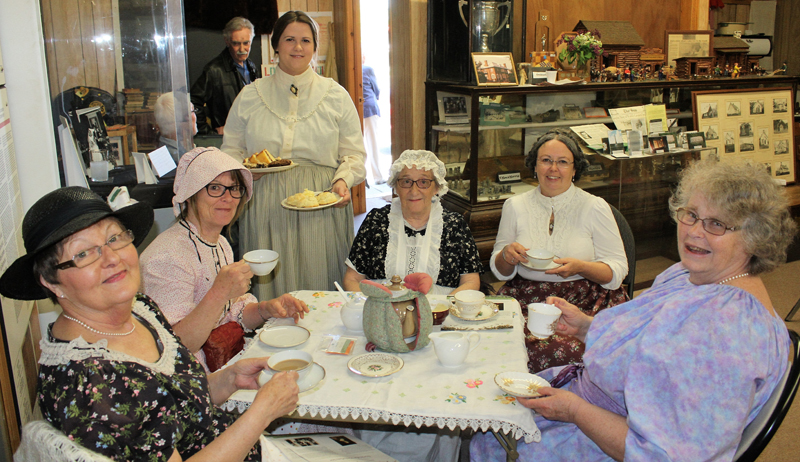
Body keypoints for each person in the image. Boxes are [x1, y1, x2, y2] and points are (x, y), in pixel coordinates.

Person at [470, 159, 796, 461]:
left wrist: (575, 411)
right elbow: (650, 338)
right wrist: (585, 326)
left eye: (717, 224)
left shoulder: (731, 332)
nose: (695, 231)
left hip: (601, 440)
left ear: (754, 237)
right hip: (587, 401)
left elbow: (664, 454)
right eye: (692, 215)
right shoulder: (690, 275)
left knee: (484, 441)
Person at [0, 186, 300, 460]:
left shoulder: (139, 310)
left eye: (114, 238)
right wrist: (261, 413)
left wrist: (230, 379)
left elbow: (170, 408)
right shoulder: (91, 383)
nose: (111, 258)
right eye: (82, 254)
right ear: (51, 281)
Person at [221, 10, 366, 300]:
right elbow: (230, 153)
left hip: (322, 202)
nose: (298, 47)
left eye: (305, 40)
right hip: (265, 201)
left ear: (315, 46)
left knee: (321, 282)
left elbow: (354, 155)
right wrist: (246, 171)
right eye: (289, 39)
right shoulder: (250, 95)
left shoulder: (335, 95)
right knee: (271, 289)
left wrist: (342, 182)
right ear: (276, 45)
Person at [140, 147, 309, 372]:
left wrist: (266, 309)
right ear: (190, 194)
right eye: (215, 188)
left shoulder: (219, 243)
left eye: (234, 188)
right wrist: (219, 292)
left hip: (221, 363)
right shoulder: (166, 257)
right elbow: (175, 346)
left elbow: (231, 315)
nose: (228, 198)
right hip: (188, 382)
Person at [492, 129, 628, 373]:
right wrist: (506, 256)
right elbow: (500, 272)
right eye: (546, 160)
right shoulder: (515, 205)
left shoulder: (594, 206)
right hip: (527, 297)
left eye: (563, 162)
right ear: (535, 166)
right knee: (500, 344)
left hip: (586, 298)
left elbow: (618, 271)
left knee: (572, 350)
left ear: (575, 169)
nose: (553, 169)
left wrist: (581, 267)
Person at [343, 150, 483, 295]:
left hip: (439, 312)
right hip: (383, 311)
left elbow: (471, 281)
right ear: (396, 187)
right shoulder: (376, 221)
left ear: (436, 187)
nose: (414, 190)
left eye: (423, 182)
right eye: (406, 182)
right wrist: (369, 307)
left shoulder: (455, 225)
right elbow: (352, 278)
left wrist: (445, 308)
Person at [191, 17, 261, 135]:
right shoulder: (214, 70)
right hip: (227, 140)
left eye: (246, 43)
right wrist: (209, 133)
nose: (242, 49)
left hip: (250, 136)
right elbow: (192, 102)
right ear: (227, 41)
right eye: (236, 43)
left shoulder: (252, 67)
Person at [153, 92, 198, 163]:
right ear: (186, 119)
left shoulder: (162, 150)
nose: (195, 116)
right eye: (193, 111)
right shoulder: (183, 159)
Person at [362, 54, 384, 184]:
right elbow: (376, 88)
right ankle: (378, 177)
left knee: (360, 144)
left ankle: (362, 177)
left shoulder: (352, 70)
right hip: (370, 107)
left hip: (357, 108)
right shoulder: (367, 69)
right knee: (373, 143)